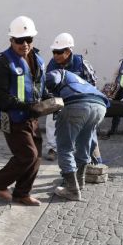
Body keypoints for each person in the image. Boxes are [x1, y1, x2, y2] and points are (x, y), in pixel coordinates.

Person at [0, 16, 49, 206]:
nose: (24, 44)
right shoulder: (3, 61)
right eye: (19, 40)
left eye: (28, 39)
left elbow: (40, 87)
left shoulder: (37, 59)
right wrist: (25, 106)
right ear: (11, 40)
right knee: (27, 155)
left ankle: (22, 193)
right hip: (12, 117)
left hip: (32, 116)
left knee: (36, 157)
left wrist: (50, 99)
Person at [45, 70, 109, 201]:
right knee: (84, 144)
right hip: (100, 106)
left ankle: (72, 190)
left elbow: (51, 79)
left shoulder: (58, 72)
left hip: (77, 105)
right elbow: (91, 142)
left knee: (64, 148)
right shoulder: (78, 79)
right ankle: (80, 183)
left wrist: (44, 92)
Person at [45, 33, 99, 162]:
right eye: (54, 52)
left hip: (79, 101)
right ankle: (53, 148)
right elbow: (46, 83)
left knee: (86, 128)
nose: (56, 55)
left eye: (59, 52)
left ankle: (91, 155)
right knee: (51, 122)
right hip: (58, 99)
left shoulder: (82, 64)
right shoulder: (52, 64)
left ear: (69, 51)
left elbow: (92, 84)